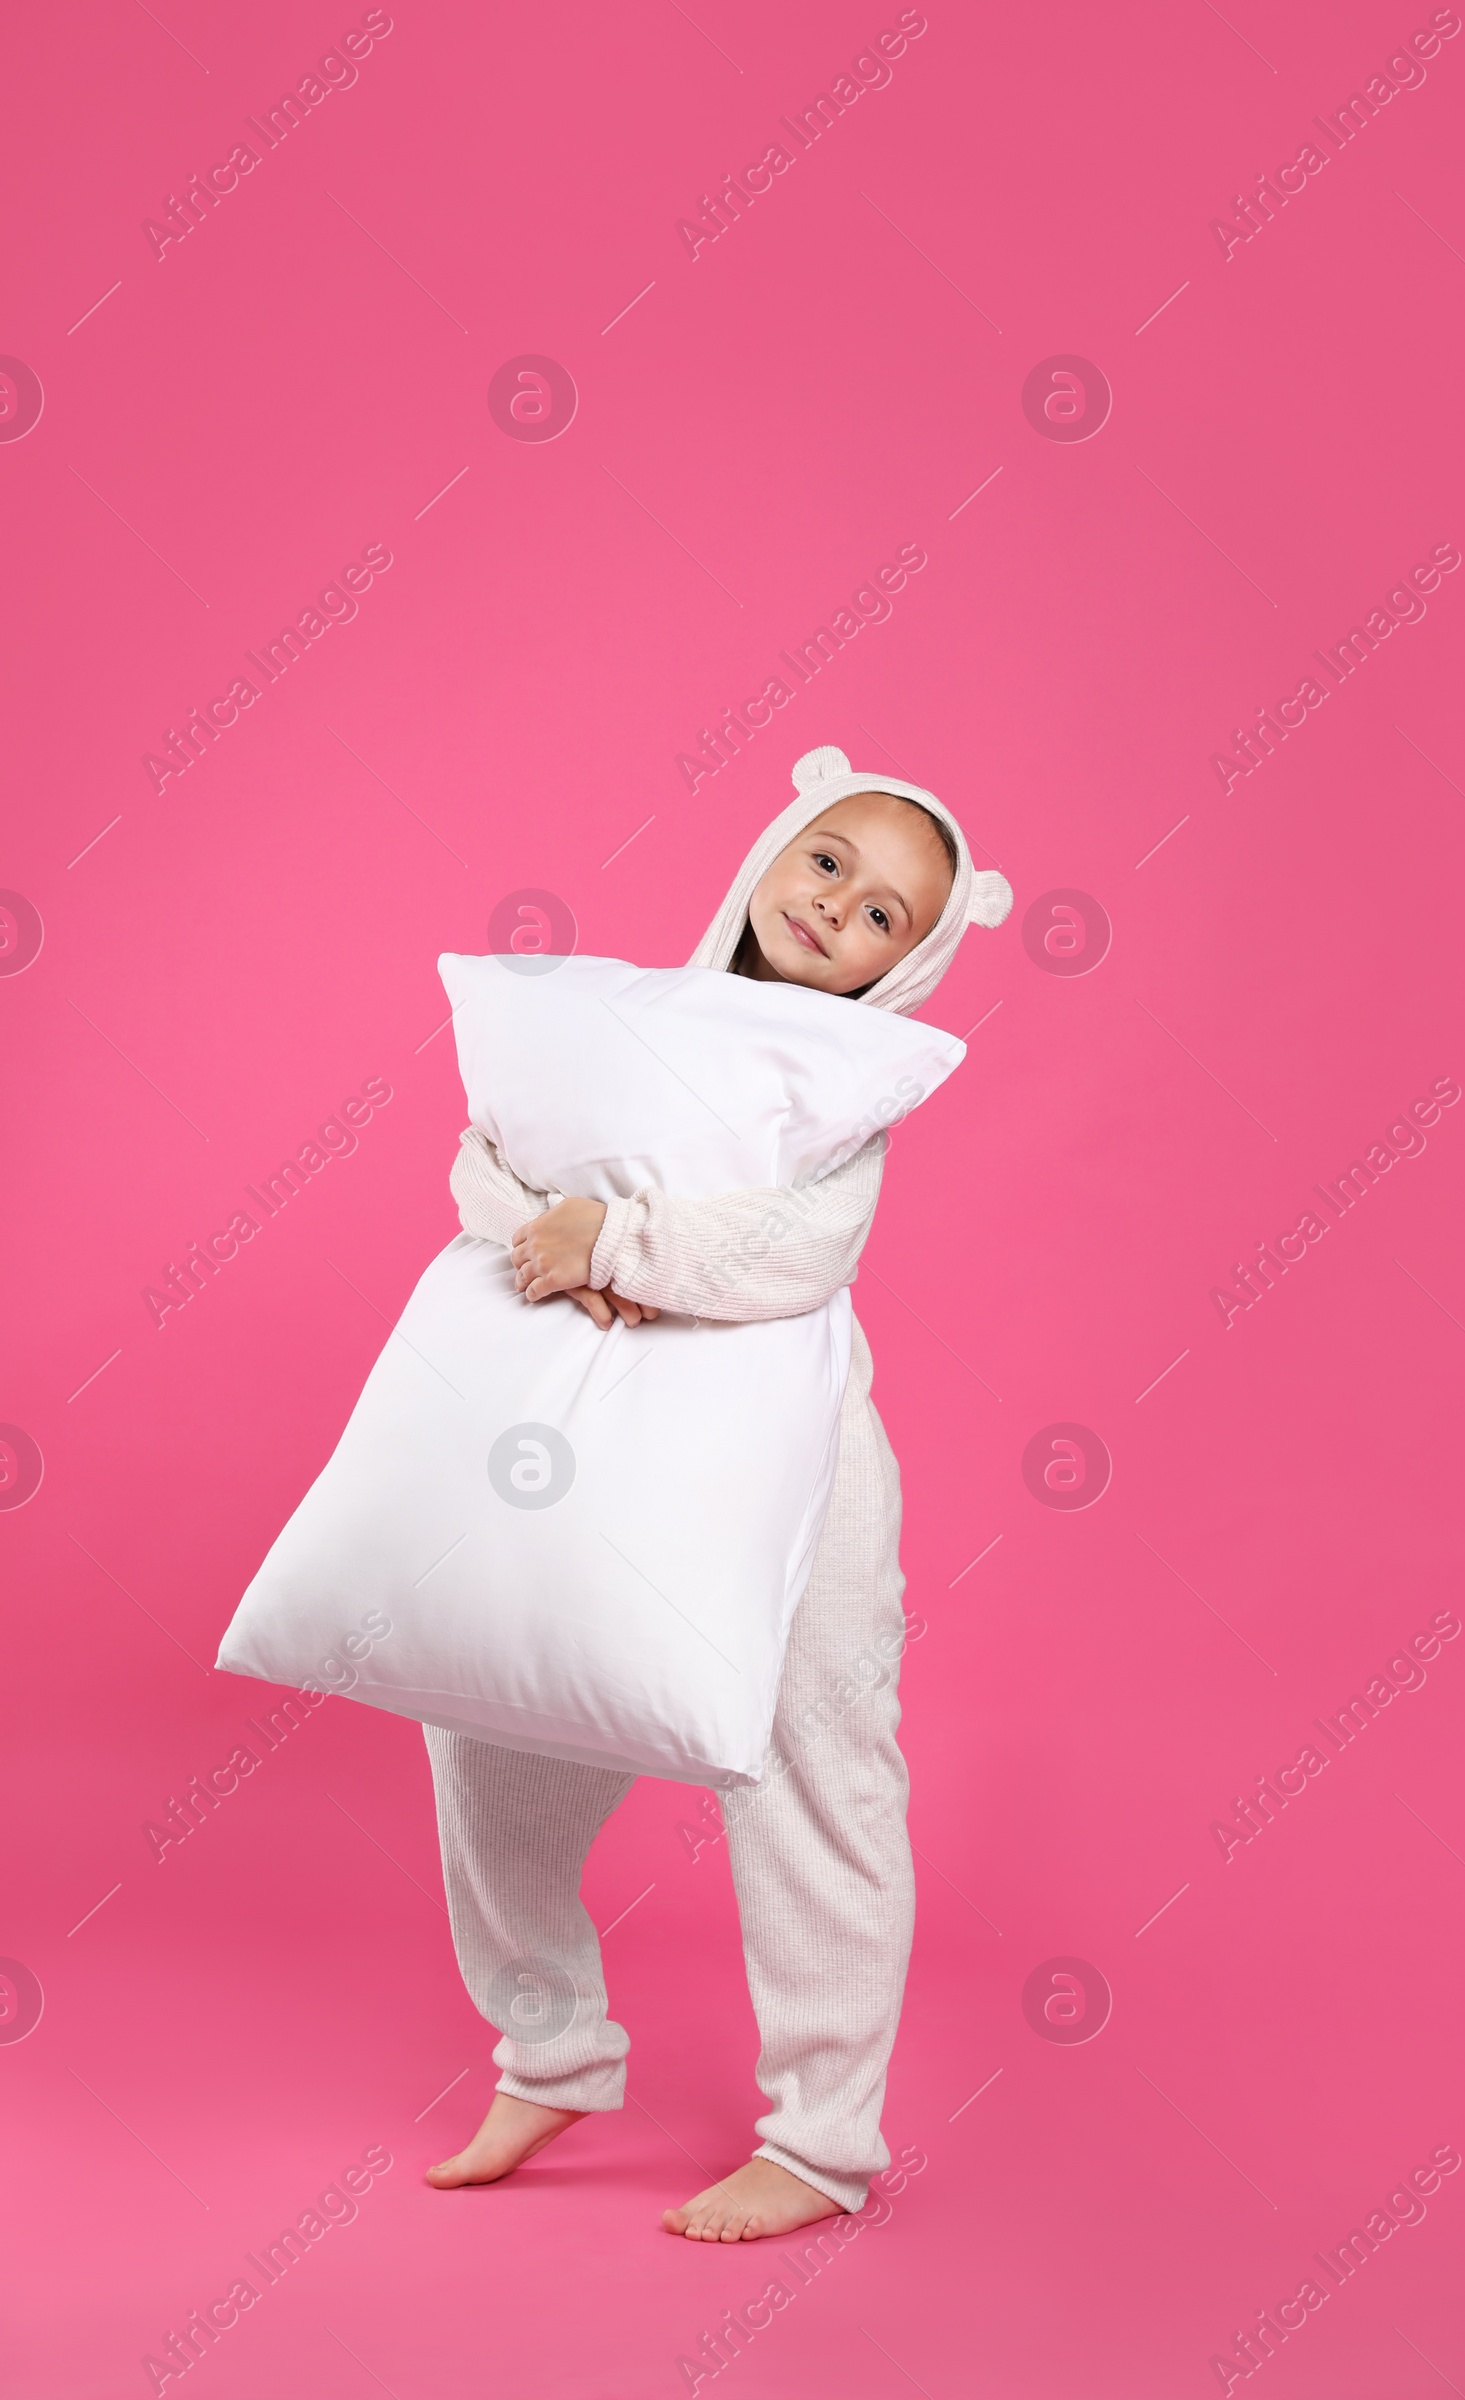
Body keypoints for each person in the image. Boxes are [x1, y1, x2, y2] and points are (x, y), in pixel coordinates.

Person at [421, 744, 1009, 2240]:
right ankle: (550, 2046)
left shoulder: (848, 1089)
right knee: (484, 1711)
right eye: (830, 862)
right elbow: (490, 1159)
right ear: (772, 848)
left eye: (887, 916)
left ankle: (822, 2144)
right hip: (595, 1428)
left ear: (912, 968)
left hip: (791, 1455)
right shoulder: (622, 1021)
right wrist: (542, 1231)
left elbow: (799, 1253)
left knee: (818, 1766)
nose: (839, 908)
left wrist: (613, 1248)